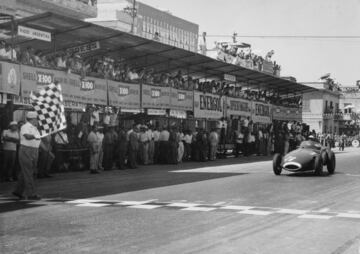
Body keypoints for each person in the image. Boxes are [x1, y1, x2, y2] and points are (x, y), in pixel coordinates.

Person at [13, 112, 41, 200]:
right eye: (36, 119)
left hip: (34, 150)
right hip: (26, 150)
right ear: (32, 119)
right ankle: (31, 194)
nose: (37, 120)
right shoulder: (25, 126)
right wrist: (35, 136)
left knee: (26, 171)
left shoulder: (35, 128)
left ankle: (18, 191)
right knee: (29, 172)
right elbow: (27, 136)